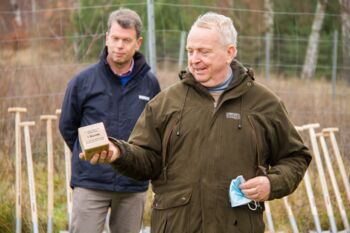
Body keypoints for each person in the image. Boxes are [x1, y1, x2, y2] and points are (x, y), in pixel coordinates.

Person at [81, 12, 311, 233]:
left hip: (237, 226)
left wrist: (272, 183)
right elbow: (148, 160)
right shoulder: (166, 103)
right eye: (190, 51)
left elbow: (296, 157)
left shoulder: (264, 104)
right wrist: (119, 152)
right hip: (175, 226)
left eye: (204, 52)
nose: (194, 60)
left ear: (230, 52)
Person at [59, 8, 160, 233]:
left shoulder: (150, 85)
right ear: (106, 38)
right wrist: (89, 154)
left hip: (133, 183)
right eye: (114, 38)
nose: (119, 45)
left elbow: (156, 131)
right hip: (90, 182)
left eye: (126, 40)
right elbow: (67, 126)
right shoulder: (82, 82)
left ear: (138, 42)